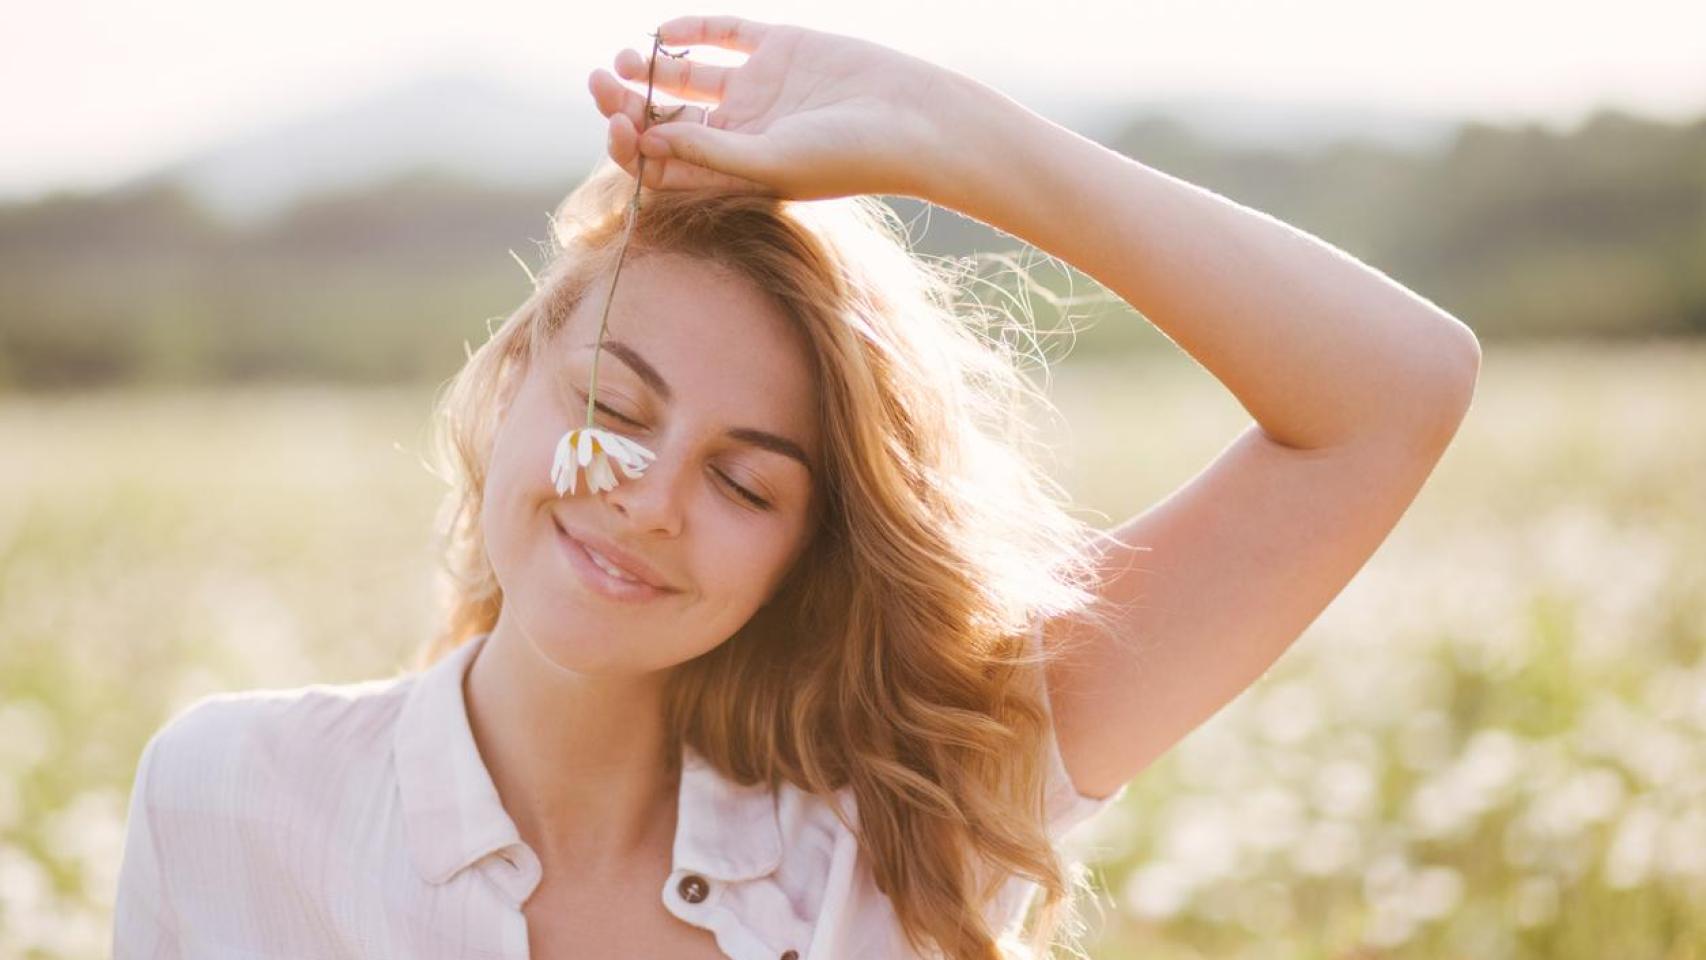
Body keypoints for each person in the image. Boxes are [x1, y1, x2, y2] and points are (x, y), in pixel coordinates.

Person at [112, 14, 1482, 960]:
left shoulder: (919, 806)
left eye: (747, 484)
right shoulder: (227, 796)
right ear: (510, 383)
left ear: (808, 548)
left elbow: (1392, 392)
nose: (647, 499)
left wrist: (943, 133)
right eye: (613, 409)